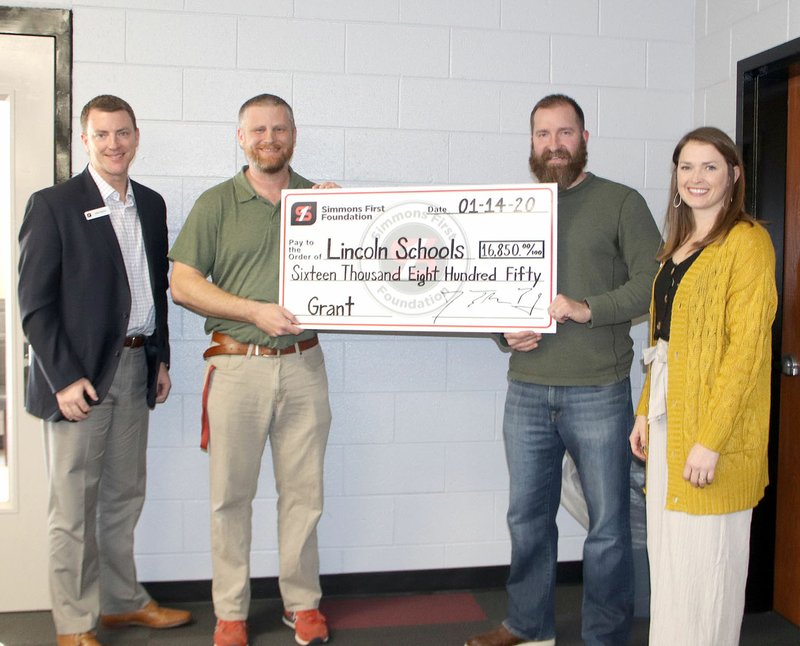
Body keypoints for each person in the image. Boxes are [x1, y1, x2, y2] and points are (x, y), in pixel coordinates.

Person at [466, 94, 662, 646]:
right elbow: (487, 288)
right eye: (543, 134)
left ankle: (605, 636)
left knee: (608, 529)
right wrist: (502, 332)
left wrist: (586, 308)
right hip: (526, 391)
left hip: (599, 390)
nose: (554, 145)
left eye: (565, 133)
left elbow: (653, 285)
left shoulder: (621, 202)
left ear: (584, 138)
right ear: (531, 142)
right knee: (526, 519)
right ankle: (528, 625)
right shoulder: (512, 208)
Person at [17, 95, 191, 646]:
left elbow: (153, 291)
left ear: (136, 137)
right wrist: (62, 377)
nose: (114, 144)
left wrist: (160, 357)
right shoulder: (54, 205)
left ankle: (120, 602)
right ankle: (74, 622)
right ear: (85, 140)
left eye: (123, 133)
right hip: (81, 378)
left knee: (123, 495)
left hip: (137, 365)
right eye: (102, 135)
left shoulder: (153, 204)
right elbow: (34, 304)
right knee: (72, 507)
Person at [169, 94, 337, 646]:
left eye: (280, 128)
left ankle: (302, 604)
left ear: (294, 134)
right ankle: (231, 612)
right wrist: (251, 310)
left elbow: (370, 269)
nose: (270, 138)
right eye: (258, 129)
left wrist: (356, 215)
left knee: (304, 494)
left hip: (303, 365)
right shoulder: (217, 203)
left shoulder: (321, 199)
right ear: (241, 138)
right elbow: (182, 284)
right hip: (237, 366)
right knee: (229, 496)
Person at [629, 127, 777, 646]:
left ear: (733, 175)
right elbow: (663, 342)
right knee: (670, 568)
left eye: (710, 166)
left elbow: (746, 354)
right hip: (671, 423)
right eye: (686, 167)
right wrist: (645, 410)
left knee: (707, 574)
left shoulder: (748, 243)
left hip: (714, 437)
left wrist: (710, 441)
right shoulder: (676, 247)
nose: (696, 178)